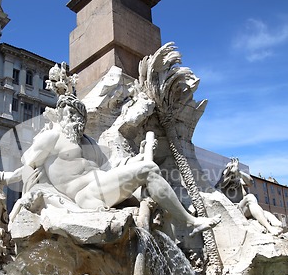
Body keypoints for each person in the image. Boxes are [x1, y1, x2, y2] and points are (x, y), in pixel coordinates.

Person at [20, 94, 220, 237]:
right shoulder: (52, 137)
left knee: (148, 172)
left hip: (101, 187)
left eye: (76, 114)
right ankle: (189, 221)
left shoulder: (88, 143)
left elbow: (111, 169)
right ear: (61, 115)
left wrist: (140, 155)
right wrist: (32, 194)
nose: (71, 118)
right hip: (83, 195)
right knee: (148, 170)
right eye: (67, 113)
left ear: (83, 119)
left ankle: (181, 224)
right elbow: (28, 164)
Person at [216, 157, 282, 235]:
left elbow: (250, 182)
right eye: (229, 168)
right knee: (250, 197)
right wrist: (229, 172)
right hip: (235, 210)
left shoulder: (239, 181)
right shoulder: (223, 183)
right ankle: (269, 228)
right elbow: (219, 185)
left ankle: (272, 227)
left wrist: (239, 172)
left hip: (247, 209)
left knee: (274, 220)